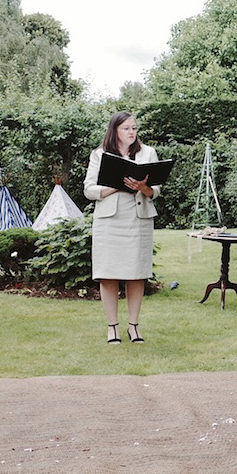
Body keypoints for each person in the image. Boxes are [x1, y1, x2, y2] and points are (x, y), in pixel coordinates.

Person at [83, 112, 161, 345]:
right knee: (108, 275)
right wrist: (116, 187)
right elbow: (89, 189)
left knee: (136, 274)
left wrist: (142, 187)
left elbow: (155, 191)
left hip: (138, 220)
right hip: (109, 221)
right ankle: (112, 328)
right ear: (115, 130)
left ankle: (134, 327)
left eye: (134, 128)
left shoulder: (148, 153)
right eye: (127, 128)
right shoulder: (99, 154)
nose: (131, 132)